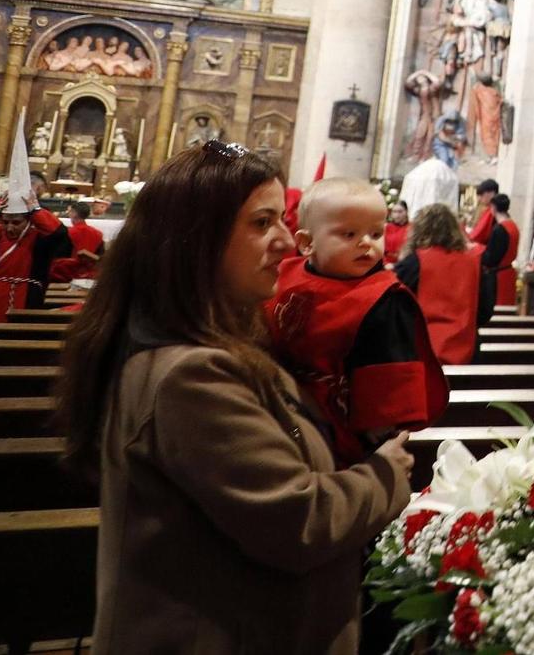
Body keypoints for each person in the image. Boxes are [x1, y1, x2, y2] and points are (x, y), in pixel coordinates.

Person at [53, 143, 411, 653]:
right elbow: (297, 520)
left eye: (282, 220)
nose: (287, 241)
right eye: (262, 223)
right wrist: (386, 472)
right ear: (195, 241)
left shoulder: (211, 340)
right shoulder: (192, 375)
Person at [263, 177, 447, 466]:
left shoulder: (385, 301)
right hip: (273, 418)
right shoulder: (283, 274)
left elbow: (389, 396)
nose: (366, 243)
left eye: (376, 234)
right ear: (306, 243)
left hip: (342, 441)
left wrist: (377, 458)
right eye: (349, 234)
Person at [393, 205, 494, 365]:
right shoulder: (475, 263)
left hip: (421, 352)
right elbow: (485, 312)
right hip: (467, 352)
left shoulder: (412, 264)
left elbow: (395, 311)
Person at [0, 177, 69, 321]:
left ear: (29, 220)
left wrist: (36, 211)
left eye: (16, 222)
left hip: (24, 298)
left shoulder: (38, 237)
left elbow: (60, 234)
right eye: (6, 222)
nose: (9, 227)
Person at [468, 191, 520, 306]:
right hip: (508, 274)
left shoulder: (499, 229)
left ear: (493, 208)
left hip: (499, 278)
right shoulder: (513, 225)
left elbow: (490, 259)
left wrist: (476, 248)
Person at [49, 198, 106, 284]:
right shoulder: (98, 233)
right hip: (90, 275)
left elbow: (59, 256)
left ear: (74, 213)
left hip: (68, 275)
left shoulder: (68, 232)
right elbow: (99, 257)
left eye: (70, 212)